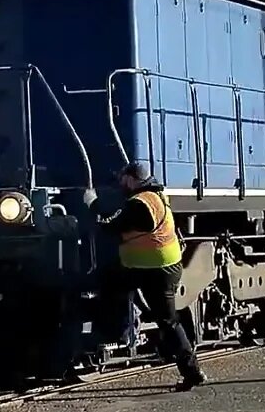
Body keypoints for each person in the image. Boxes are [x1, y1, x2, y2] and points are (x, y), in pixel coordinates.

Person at [83, 163, 207, 391]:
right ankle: (184, 365)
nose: (121, 184)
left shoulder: (140, 204)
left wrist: (93, 205)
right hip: (160, 266)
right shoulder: (155, 196)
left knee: (163, 318)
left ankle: (116, 330)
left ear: (131, 180)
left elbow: (112, 226)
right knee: (165, 318)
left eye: (123, 179)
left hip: (152, 269)